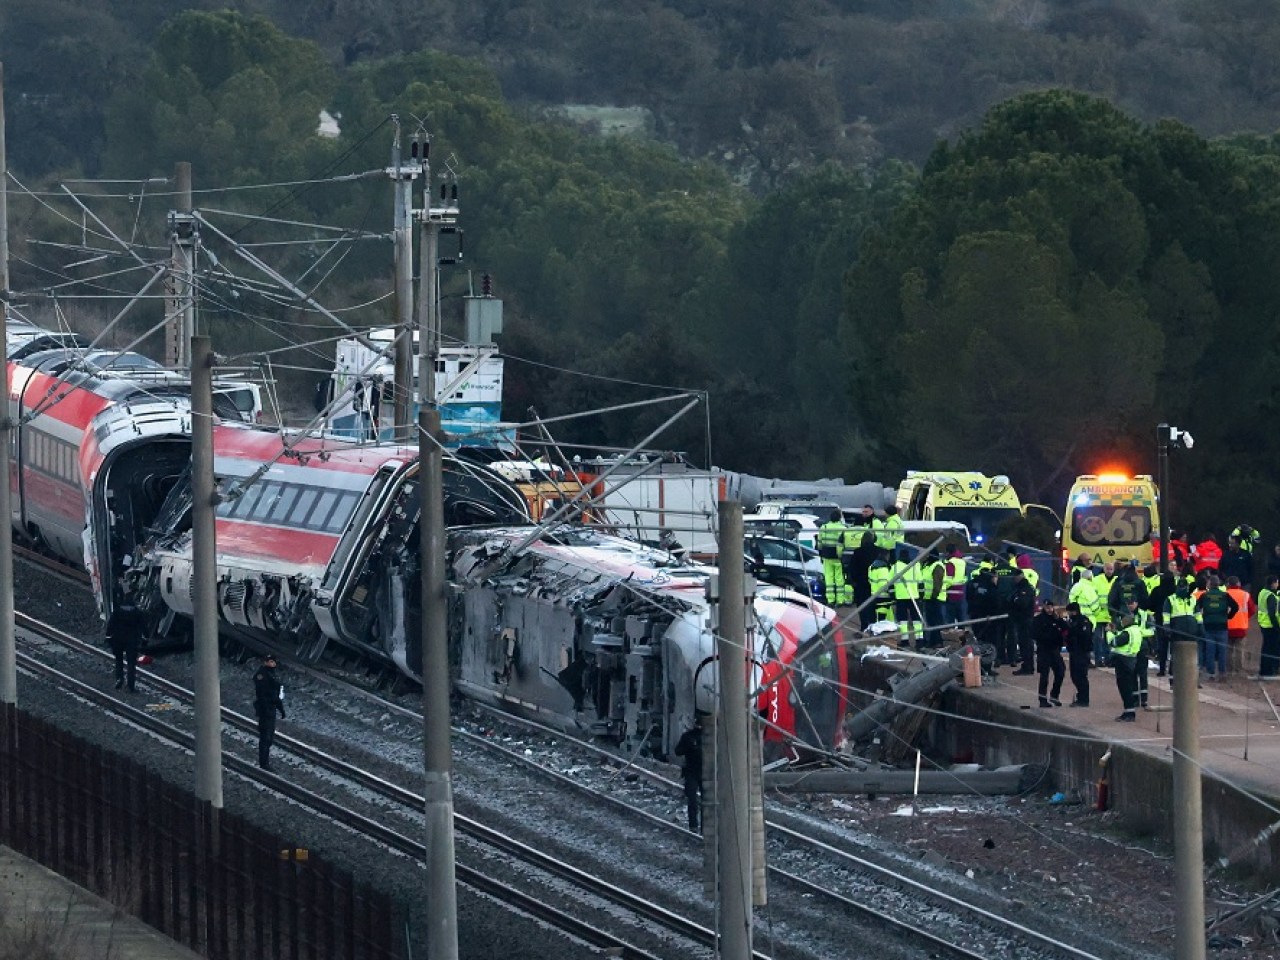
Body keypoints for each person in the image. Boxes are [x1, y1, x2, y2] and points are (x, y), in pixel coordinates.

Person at [1195, 576, 1238, 680]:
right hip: (1222, 624)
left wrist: (1201, 617)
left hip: (1208, 624)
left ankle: (1211, 673)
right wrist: (1229, 616)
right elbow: (1235, 606)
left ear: (1209, 584)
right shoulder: (1224, 595)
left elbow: (1196, 608)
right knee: (1222, 650)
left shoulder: (1205, 596)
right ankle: (1222, 673)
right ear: (1218, 584)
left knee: (1210, 650)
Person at [253, 653, 287, 771]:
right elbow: (261, 694)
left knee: (269, 737)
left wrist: (281, 709)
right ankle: (264, 763)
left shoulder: (272, 675)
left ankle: (265, 762)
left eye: (273, 661)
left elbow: (276, 694)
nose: (271, 663)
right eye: (269, 661)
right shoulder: (262, 675)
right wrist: (266, 709)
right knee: (265, 737)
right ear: (265, 662)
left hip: (271, 709)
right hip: (265, 709)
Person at [1109, 614, 1144, 721]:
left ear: (1126, 622)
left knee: (1124, 688)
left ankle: (1129, 713)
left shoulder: (1126, 632)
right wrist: (1115, 632)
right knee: (1129, 686)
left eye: (1123, 621)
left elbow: (1113, 642)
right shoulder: (1136, 631)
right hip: (1132, 659)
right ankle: (1129, 711)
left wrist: (1109, 633)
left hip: (1122, 661)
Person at [106, 599, 145, 692]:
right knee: (131, 663)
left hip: (118, 640)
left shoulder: (117, 612)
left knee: (119, 660)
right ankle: (130, 685)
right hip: (132, 641)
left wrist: (108, 638)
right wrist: (145, 640)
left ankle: (119, 679)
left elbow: (110, 626)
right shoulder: (137, 613)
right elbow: (144, 627)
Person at [1032, 600, 1066, 706]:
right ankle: (1042, 700)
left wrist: (1059, 620)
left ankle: (1054, 695)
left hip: (1055, 649)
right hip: (1044, 650)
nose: (1050, 610)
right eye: (1047, 608)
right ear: (1044, 607)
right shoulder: (1038, 620)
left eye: (1051, 607)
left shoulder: (1055, 618)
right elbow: (1034, 634)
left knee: (1061, 671)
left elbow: (1066, 628)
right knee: (1044, 675)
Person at [816, 510, 852, 605]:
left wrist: (821, 553)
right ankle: (840, 600)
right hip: (839, 557)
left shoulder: (824, 527)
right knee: (840, 579)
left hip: (827, 556)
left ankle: (830, 600)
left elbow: (819, 543)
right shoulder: (844, 528)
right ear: (839, 518)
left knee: (829, 578)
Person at [673, 721, 703, 832]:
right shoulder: (688, 737)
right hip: (691, 772)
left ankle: (705, 827)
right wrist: (689, 747)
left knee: (706, 802)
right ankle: (693, 826)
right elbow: (677, 751)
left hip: (705, 773)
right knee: (692, 800)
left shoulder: (709, 737)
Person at [1008, 569, 1037, 675]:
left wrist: (1015, 600)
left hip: (1025, 619)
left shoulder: (1025, 588)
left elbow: (1022, 603)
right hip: (1021, 619)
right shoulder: (1019, 588)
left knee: (1026, 644)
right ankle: (1027, 665)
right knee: (1024, 643)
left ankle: (1028, 667)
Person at [1064, 602, 1093, 707]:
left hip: (1081, 652)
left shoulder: (1083, 621)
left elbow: (1084, 636)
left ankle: (1084, 699)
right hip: (1074, 651)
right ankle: (1081, 696)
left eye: (1070, 612)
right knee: (1074, 675)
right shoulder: (1073, 621)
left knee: (1080, 676)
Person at [1224, 576, 1255, 675]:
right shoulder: (1245, 595)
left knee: (1228, 649)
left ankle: (1228, 668)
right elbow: (1252, 610)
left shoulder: (1224, 595)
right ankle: (1238, 669)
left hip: (1227, 625)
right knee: (1239, 649)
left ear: (1228, 584)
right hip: (1241, 625)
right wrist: (1245, 617)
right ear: (1239, 584)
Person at [1256, 575, 1280, 679]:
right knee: (1271, 648)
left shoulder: (1262, 592)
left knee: (1266, 648)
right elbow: (1272, 613)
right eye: (1277, 582)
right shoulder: (1270, 595)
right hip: (1271, 625)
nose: (1277, 585)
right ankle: (1269, 670)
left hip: (1263, 624)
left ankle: (1264, 669)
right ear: (1273, 583)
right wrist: (1277, 626)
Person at [944, 544, 968, 625]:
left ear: (948, 552)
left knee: (950, 618)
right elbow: (965, 577)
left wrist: (943, 589)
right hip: (960, 592)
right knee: (960, 617)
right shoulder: (962, 562)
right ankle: (962, 635)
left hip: (951, 592)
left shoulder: (951, 562)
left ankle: (952, 636)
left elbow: (949, 579)